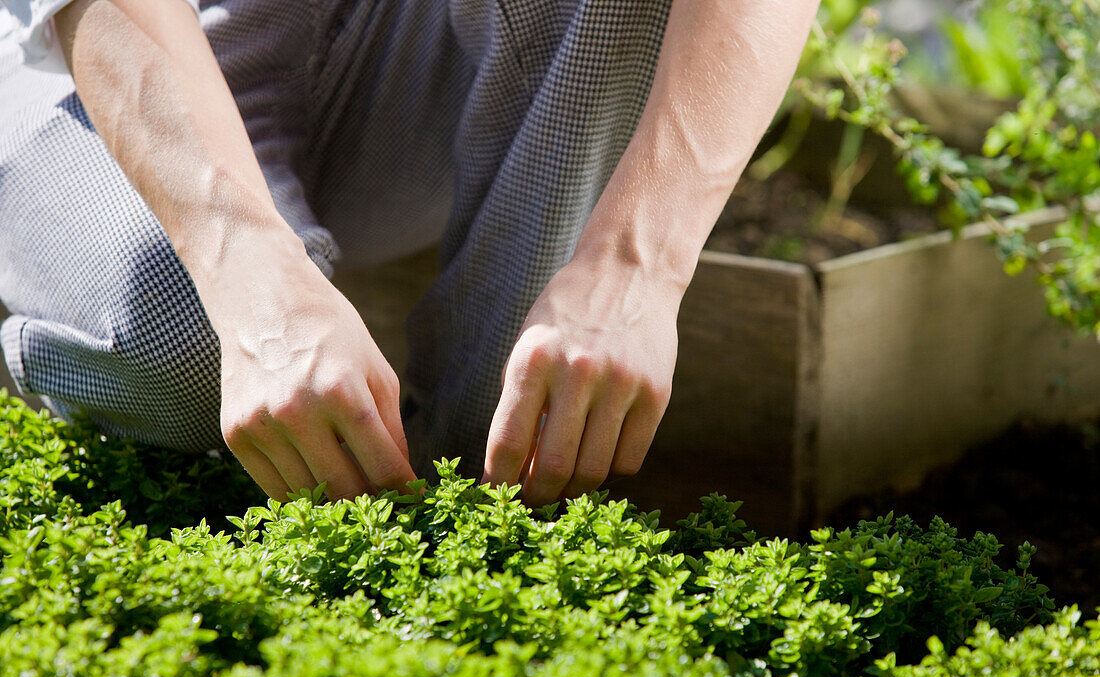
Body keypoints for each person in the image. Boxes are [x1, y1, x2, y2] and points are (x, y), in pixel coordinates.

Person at [0, 0, 818, 507]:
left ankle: (476, 489)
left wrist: (637, 263)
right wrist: (250, 273)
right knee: (185, 336)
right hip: (78, 46)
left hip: (379, 52)